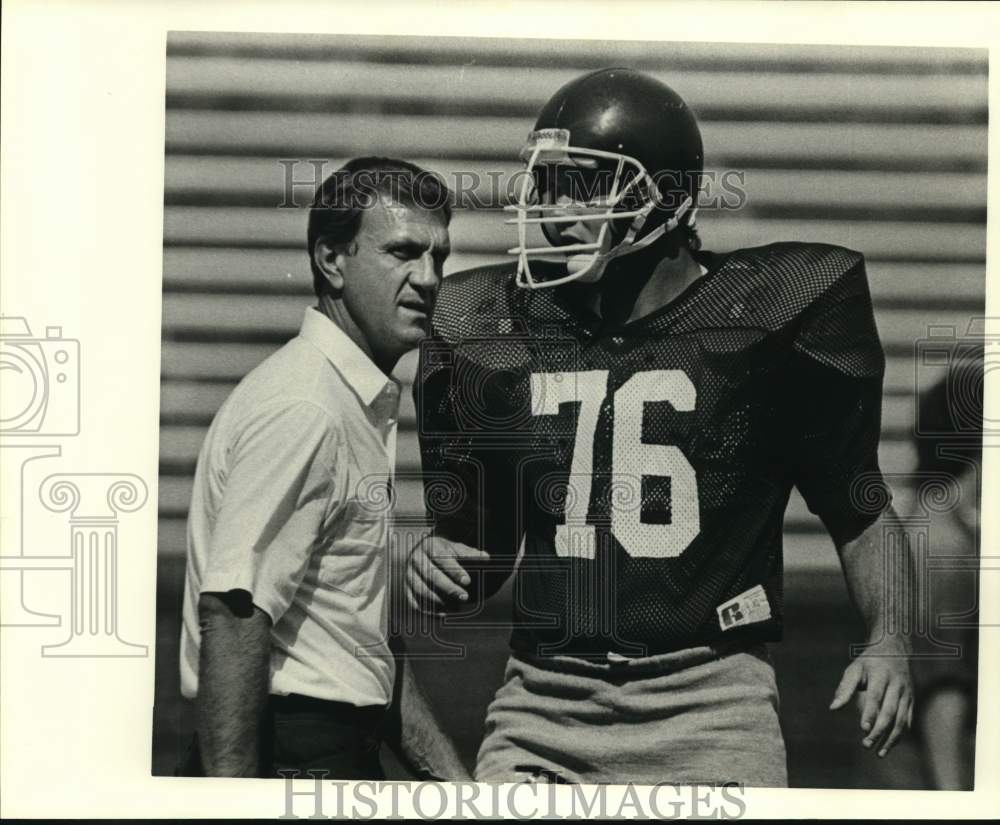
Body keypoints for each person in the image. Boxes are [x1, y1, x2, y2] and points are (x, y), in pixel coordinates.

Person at [407, 68, 915, 786]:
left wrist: (891, 635)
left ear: (668, 198)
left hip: (710, 705)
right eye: (547, 183)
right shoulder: (500, 329)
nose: (554, 209)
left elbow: (859, 507)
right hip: (544, 704)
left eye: (584, 184)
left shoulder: (761, 323)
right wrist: (447, 562)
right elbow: (483, 558)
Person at [179, 156, 466, 779]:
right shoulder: (306, 407)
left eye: (439, 257)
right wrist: (232, 805)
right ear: (331, 260)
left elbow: (358, 640)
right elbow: (233, 613)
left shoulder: (348, 397)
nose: (429, 278)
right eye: (403, 252)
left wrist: (459, 790)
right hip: (291, 752)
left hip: (333, 747)